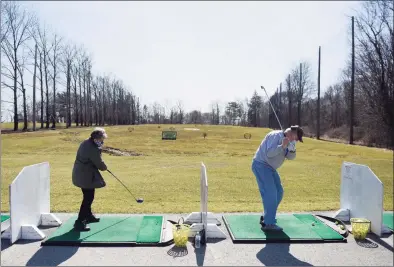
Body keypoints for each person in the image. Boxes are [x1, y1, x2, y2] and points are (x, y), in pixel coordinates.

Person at [252, 125, 303, 231]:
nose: (296, 140)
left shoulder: (290, 141)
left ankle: (266, 216)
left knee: (279, 192)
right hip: (261, 165)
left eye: (297, 140)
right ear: (291, 132)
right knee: (271, 193)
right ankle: (269, 224)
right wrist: (282, 146)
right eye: (296, 138)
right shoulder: (274, 135)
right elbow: (269, 153)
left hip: (270, 168)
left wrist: (292, 150)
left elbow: (291, 157)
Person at [72, 127, 108, 231]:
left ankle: (88, 216)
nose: (103, 141)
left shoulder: (87, 142)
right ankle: (79, 222)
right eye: (102, 139)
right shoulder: (92, 148)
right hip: (84, 175)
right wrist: (105, 167)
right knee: (88, 198)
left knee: (89, 196)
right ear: (97, 138)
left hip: (83, 173)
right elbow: (100, 164)